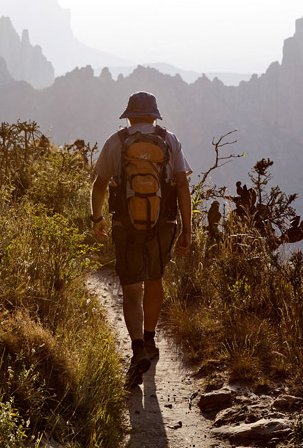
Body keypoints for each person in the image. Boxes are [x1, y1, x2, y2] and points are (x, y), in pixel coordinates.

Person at [91, 91, 193, 388]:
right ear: (154, 115)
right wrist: (188, 229)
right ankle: (150, 339)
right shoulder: (169, 139)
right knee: (155, 279)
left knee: (132, 288)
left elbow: (99, 184)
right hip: (163, 224)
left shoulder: (117, 141)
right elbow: (183, 184)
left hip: (125, 223)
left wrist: (97, 219)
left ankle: (136, 349)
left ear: (129, 115)